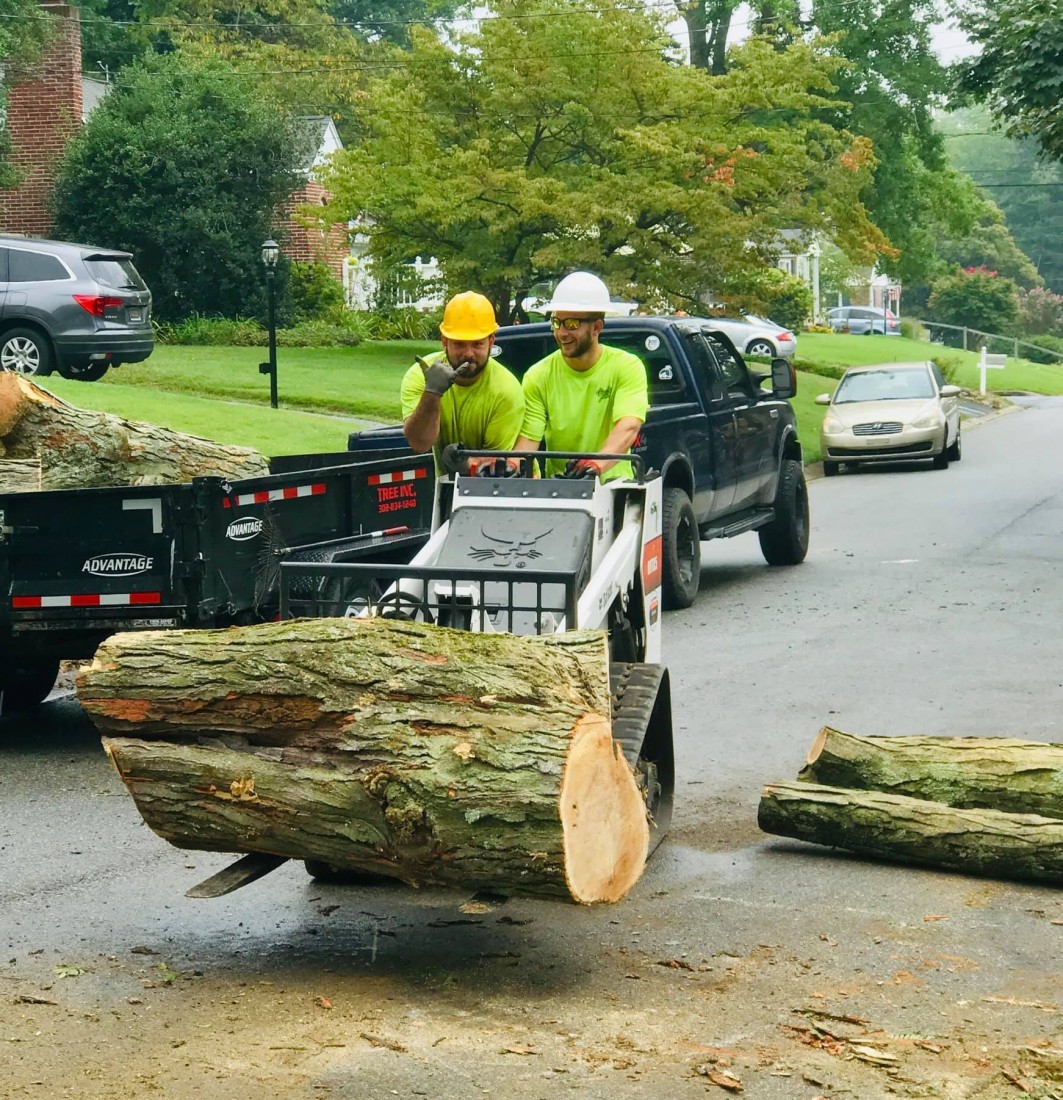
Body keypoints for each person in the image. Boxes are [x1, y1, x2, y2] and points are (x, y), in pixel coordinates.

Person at [513, 271, 648, 482]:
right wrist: (512, 466)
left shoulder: (626, 366)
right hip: (560, 489)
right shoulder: (538, 375)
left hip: (614, 489)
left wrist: (595, 465)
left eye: (572, 324)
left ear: (597, 327)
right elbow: (529, 439)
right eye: (557, 322)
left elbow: (628, 426)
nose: (562, 333)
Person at [400, 291, 524, 475]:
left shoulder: (506, 390)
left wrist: (464, 464)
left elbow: (493, 469)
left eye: (477, 344)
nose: (468, 353)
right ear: (444, 342)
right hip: (446, 486)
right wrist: (432, 393)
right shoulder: (421, 375)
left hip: (503, 487)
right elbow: (419, 443)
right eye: (459, 344)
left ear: (491, 341)